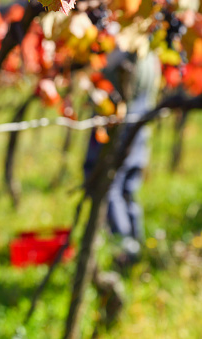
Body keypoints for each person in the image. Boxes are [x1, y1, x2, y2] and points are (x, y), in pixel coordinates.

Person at [83, 49, 161, 265]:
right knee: (127, 185)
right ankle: (135, 247)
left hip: (118, 121)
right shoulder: (150, 52)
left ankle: (125, 250)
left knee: (108, 184)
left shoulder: (126, 46)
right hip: (139, 120)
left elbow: (106, 69)